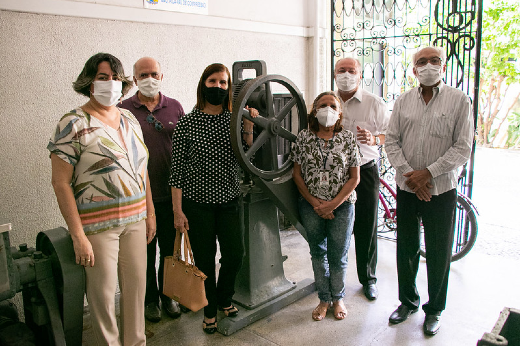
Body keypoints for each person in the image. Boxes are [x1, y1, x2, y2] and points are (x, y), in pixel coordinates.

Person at [48, 52, 154, 345]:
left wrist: (150, 214)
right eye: (103, 77)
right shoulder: (73, 123)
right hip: (97, 227)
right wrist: (77, 236)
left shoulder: (130, 118)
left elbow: (142, 170)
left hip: (136, 219)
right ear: (89, 82)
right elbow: (60, 183)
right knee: (103, 299)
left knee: (136, 293)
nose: (111, 84)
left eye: (116, 78)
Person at [385, 46, 474, 335]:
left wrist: (428, 174)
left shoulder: (459, 100)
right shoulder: (403, 102)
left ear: (443, 66)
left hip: (442, 189)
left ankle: (434, 310)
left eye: (434, 61)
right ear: (413, 70)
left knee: (438, 251)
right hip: (408, 187)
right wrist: (412, 176)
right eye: (421, 62)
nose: (427, 66)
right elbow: (391, 142)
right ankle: (408, 302)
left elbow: (463, 147)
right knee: (406, 248)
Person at [168, 63, 257, 334]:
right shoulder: (187, 122)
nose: (217, 87)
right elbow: (177, 170)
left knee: (235, 255)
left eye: (223, 82)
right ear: (202, 84)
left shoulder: (233, 119)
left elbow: (246, 155)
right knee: (205, 261)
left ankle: (224, 297)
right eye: (212, 81)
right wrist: (177, 211)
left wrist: (249, 125)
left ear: (229, 88)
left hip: (230, 200)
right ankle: (210, 310)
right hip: (198, 205)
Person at [120, 57, 185, 323]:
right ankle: (150, 301)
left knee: (170, 253)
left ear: (162, 76)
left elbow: (185, 149)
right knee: (144, 254)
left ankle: (168, 295)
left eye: (154, 74)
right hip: (138, 200)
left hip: (171, 196)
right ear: (134, 79)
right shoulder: (123, 110)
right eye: (143, 74)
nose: (150, 78)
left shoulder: (175, 107)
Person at [290, 91, 361, 321]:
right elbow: (297, 174)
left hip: (342, 205)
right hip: (311, 205)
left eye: (332, 105)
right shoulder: (303, 137)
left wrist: (332, 204)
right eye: (323, 105)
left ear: (339, 112)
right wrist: (315, 203)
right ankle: (324, 298)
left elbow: (354, 177)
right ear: (314, 110)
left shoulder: (348, 138)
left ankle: (338, 298)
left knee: (338, 255)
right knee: (318, 252)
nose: (328, 109)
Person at [334, 57, 389, 301]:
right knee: (332, 227)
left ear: (359, 74)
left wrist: (375, 139)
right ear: (335, 73)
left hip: (365, 171)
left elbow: (391, 134)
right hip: (333, 174)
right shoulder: (327, 101)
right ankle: (330, 279)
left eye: (351, 70)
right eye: (341, 70)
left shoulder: (374, 103)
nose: (346, 74)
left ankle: (368, 279)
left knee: (366, 226)